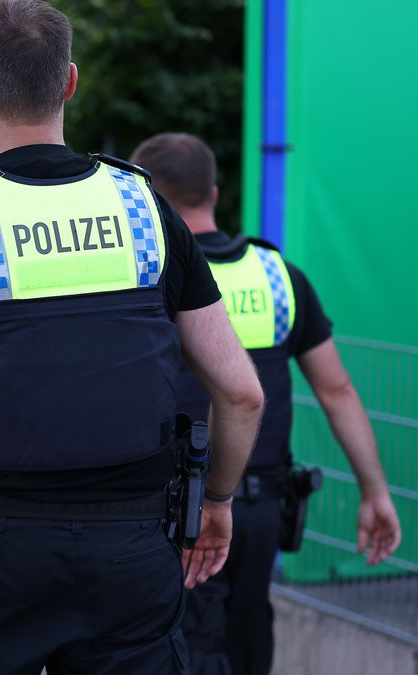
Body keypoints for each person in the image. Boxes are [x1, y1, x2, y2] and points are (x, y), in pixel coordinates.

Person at [0, 2, 268, 673]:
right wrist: (217, 501)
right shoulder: (144, 210)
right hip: (133, 550)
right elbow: (240, 393)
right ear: (69, 81)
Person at [130, 132, 403, 675]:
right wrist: (374, 492)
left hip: (172, 512)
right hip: (258, 511)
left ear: (150, 199)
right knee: (250, 635)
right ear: (213, 189)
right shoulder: (278, 277)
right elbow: (337, 390)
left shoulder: (148, 275)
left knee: (183, 649)